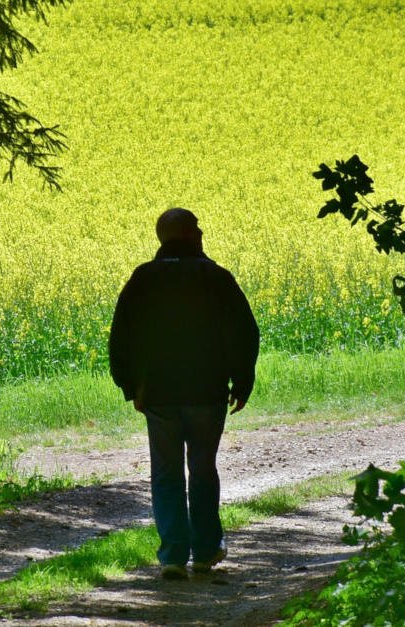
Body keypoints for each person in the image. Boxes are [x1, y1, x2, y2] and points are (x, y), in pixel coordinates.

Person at [108, 207, 259, 580]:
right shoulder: (216, 278)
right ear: (189, 235)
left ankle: (173, 555)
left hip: (158, 393)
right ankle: (205, 551)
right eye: (197, 227)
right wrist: (241, 383)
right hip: (207, 392)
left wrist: (130, 387)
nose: (202, 232)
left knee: (166, 473)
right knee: (203, 469)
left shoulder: (143, 278)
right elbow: (244, 333)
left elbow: (121, 337)